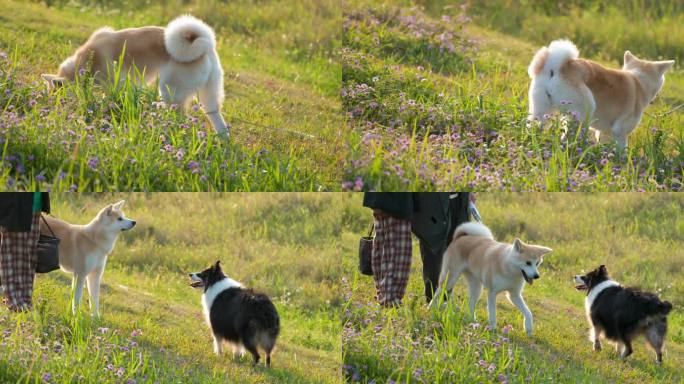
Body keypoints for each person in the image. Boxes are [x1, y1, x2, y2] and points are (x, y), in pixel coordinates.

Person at [412, 193, 471, 303]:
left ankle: (446, 299)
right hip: (433, 203)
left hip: (457, 200)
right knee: (433, 250)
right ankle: (433, 300)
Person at [0, 192, 50, 311]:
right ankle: (15, 300)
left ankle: (24, 299)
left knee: (28, 256)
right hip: (14, 203)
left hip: (33, 202)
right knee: (13, 254)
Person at [362, 193, 413, 307]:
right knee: (399, 249)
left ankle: (383, 294)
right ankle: (390, 299)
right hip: (398, 201)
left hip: (378, 198)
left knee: (381, 242)